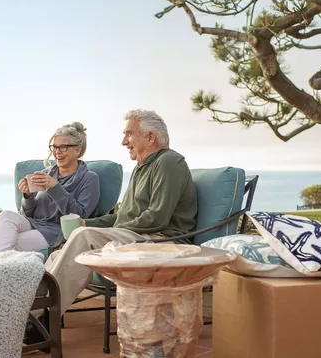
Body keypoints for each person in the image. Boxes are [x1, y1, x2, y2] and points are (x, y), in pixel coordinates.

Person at [25, 109, 198, 347]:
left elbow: (156, 217)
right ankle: (32, 311)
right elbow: (123, 216)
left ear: (150, 137)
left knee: (84, 237)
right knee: (63, 248)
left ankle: (43, 321)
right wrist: (90, 223)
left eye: (129, 134)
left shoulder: (169, 162)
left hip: (160, 240)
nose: (124, 141)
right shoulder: (142, 167)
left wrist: (92, 230)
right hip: (139, 233)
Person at [0, 122, 100, 253]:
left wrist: (55, 187)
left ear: (77, 150)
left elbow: (79, 216)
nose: (57, 152)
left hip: (56, 231)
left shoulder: (89, 178)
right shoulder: (46, 173)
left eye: (63, 147)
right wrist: (28, 196)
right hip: (35, 224)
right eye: (54, 147)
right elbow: (26, 214)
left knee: (9, 241)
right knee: (6, 215)